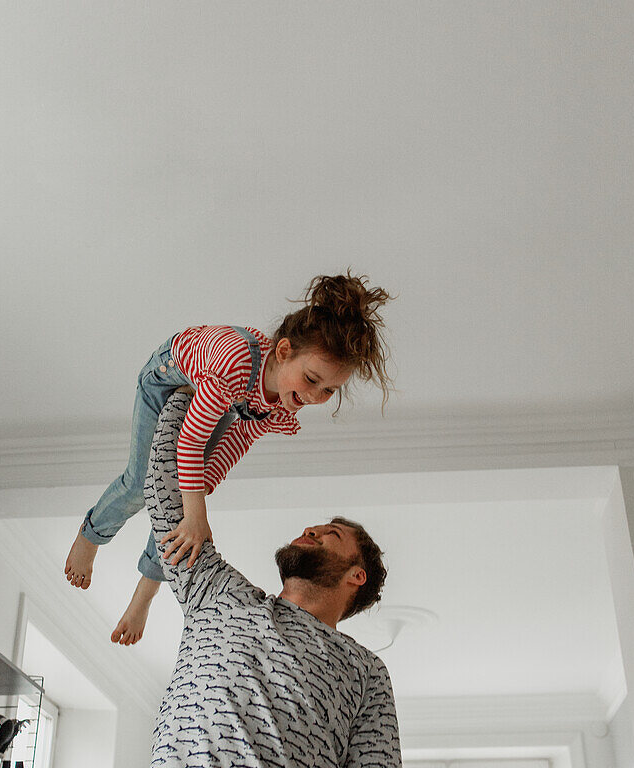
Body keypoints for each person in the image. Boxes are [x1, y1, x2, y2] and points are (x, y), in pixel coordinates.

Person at [101, 391, 407, 768]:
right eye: (315, 525)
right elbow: (163, 498)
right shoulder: (219, 596)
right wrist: (181, 400)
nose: (313, 529)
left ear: (356, 575)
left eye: (334, 534)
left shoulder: (365, 673)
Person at [65, 272, 391, 646]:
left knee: (188, 498)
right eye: (312, 379)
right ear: (283, 353)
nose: (317, 396)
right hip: (170, 378)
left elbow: (238, 441)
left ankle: (146, 590)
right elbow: (188, 444)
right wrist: (196, 513)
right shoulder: (235, 365)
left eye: (330, 390)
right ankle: (90, 536)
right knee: (141, 483)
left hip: (224, 401)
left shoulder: (283, 400)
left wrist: (202, 489)